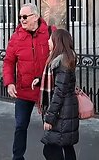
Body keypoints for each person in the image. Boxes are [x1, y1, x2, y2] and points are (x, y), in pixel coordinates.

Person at [3, 3, 55, 160]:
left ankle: (52, 156)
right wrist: (9, 82)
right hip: (24, 90)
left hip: (45, 90)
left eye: (25, 16)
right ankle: (17, 157)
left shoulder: (50, 33)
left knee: (50, 127)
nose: (22, 20)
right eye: (20, 17)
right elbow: (8, 61)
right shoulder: (16, 36)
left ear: (36, 16)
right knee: (20, 126)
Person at [35, 29, 79, 160]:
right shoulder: (64, 59)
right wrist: (39, 80)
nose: (48, 41)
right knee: (66, 146)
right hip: (66, 110)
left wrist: (49, 118)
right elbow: (57, 83)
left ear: (57, 42)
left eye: (50, 39)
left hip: (62, 112)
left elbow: (59, 92)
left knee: (50, 149)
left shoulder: (62, 63)